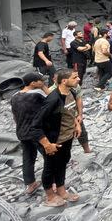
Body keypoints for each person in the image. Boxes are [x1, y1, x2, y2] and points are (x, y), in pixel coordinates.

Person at [31, 69, 81, 207]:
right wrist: (47, 144)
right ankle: (50, 196)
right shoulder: (53, 99)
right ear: (64, 81)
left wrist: (77, 125)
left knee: (62, 163)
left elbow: (70, 112)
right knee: (50, 167)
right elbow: (35, 126)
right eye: (75, 77)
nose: (79, 79)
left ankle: (61, 190)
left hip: (67, 137)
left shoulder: (72, 92)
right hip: (54, 141)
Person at [10, 73, 48, 195]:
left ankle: (30, 184)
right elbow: (54, 100)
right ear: (33, 83)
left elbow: (15, 116)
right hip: (37, 132)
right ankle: (51, 183)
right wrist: (44, 88)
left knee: (28, 157)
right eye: (40, 81)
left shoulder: (14, 96)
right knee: (49, 157)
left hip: (21, 132)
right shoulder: (37, 94)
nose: (42, 82)